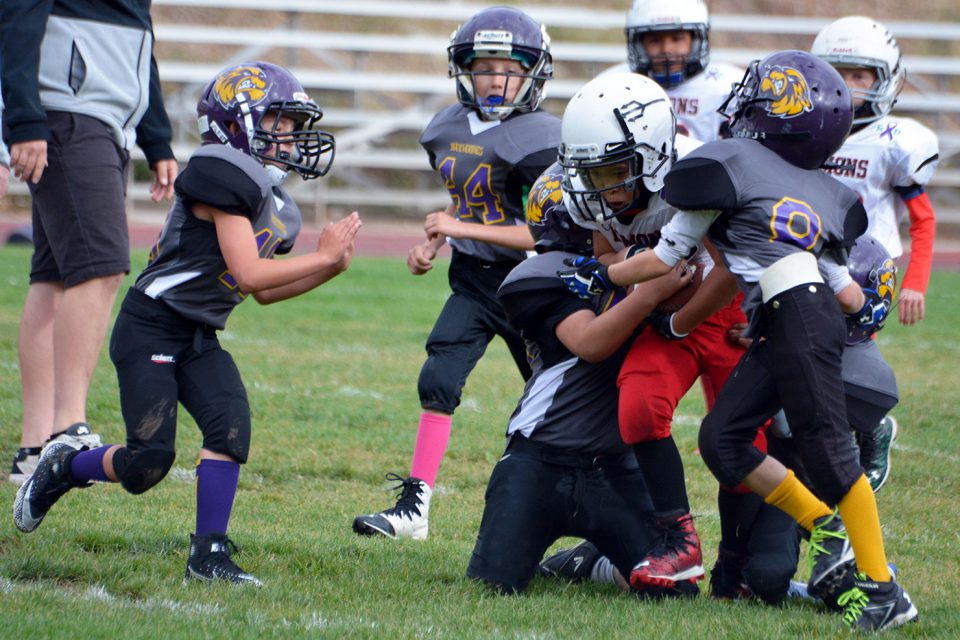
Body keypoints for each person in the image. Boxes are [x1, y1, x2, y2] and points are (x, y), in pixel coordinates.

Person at [559, 50, 917, 631]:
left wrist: (601, 275)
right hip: (786, 318)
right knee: (722, 441)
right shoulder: (823, 194)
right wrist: (865, 310)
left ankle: (883, 588)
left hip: (795, 320)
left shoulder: (724, 163)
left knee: (829, 452)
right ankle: (823, 523)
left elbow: (668, 255)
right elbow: (841, 286)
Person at [13, 61, 362, 585]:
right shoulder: (219, 172)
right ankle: (65, 466)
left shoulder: (279, 207)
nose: (288, 141)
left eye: (292, 128)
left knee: (231, 426)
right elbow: (248, 270)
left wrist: (329, 267)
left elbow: (260, 292)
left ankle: (208, 554)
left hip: (198, 334)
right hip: (150, 325)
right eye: (278, 125)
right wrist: (322, 257)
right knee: (147, 464)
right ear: (237, 124)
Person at [352, 6, 560, 541]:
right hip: (471, 278)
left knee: (552, 402)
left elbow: (544, 234)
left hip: (532, 285)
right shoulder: (445, 127)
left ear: (534, 72)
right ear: (463, 70)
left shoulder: (543, 139)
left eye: (509, 68)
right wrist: (433, 242)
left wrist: (457, 224)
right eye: (485, 67)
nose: (496, 79)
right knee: (439, 377)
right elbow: (469, 200)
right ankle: (414, 509)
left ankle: (578, 509)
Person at [467, 161, 696, 596]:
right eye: (598, 196)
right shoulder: (540, 274)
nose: (611, 208)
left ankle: (591, 561)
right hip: (539, 460)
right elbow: (591, 343)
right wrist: (649, 294)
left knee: (670, 590)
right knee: (495, 583)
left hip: (615, 469)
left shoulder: (635, 260)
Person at [556, 71, 748, 588]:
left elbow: (728, 273)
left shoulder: (694, 174)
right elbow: (604, 252)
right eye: (591, 173)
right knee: (638, 406)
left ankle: (741, 559)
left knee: (744, 439)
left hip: (725, 313)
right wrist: (647, 286)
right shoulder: (592, 191)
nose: (601, 187)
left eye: (614, 170)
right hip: (662, 315)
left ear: (655, 153)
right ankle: (679, 540)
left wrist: (675, 317)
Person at [2, 0, 179, 484]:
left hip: (102, 120)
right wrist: (24, 121)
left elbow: (141, 44)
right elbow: (15, 23)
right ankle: (67, 431)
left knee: (54, 276)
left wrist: (156, 136)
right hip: (66, 115)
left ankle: (37, 449)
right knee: (100, 266)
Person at [811, 15, 940, 491]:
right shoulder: (809, 131)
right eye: (835, 73)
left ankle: (871, 428)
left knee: (841, 360)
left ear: (885, 79)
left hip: (866, 272)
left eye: (859, 76)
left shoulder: (894, 141)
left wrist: (916, 283)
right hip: (811, 259)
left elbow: (924, 220)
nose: (845, 87)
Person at [604, 0, 742, 144]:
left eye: (677, 39)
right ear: (640, 44)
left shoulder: (726, 87)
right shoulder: (616, 86)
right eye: (655, 40)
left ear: (696, 41)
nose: (666, 49)